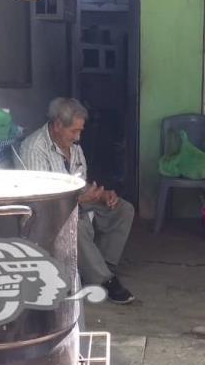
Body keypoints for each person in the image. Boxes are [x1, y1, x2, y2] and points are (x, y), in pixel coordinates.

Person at [20, 97, 135, 304]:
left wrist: (102, 194)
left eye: (80, 131)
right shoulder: (35, 148)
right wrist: (81, 199)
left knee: (123, 209)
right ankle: (105, 281)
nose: (78, 137)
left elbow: (80, 181)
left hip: (76, 201)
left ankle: (103, 266)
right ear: (56, 125)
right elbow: (44, 200)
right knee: (77, 226)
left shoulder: (74, 147)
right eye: (74, 131)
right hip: (48, 212)